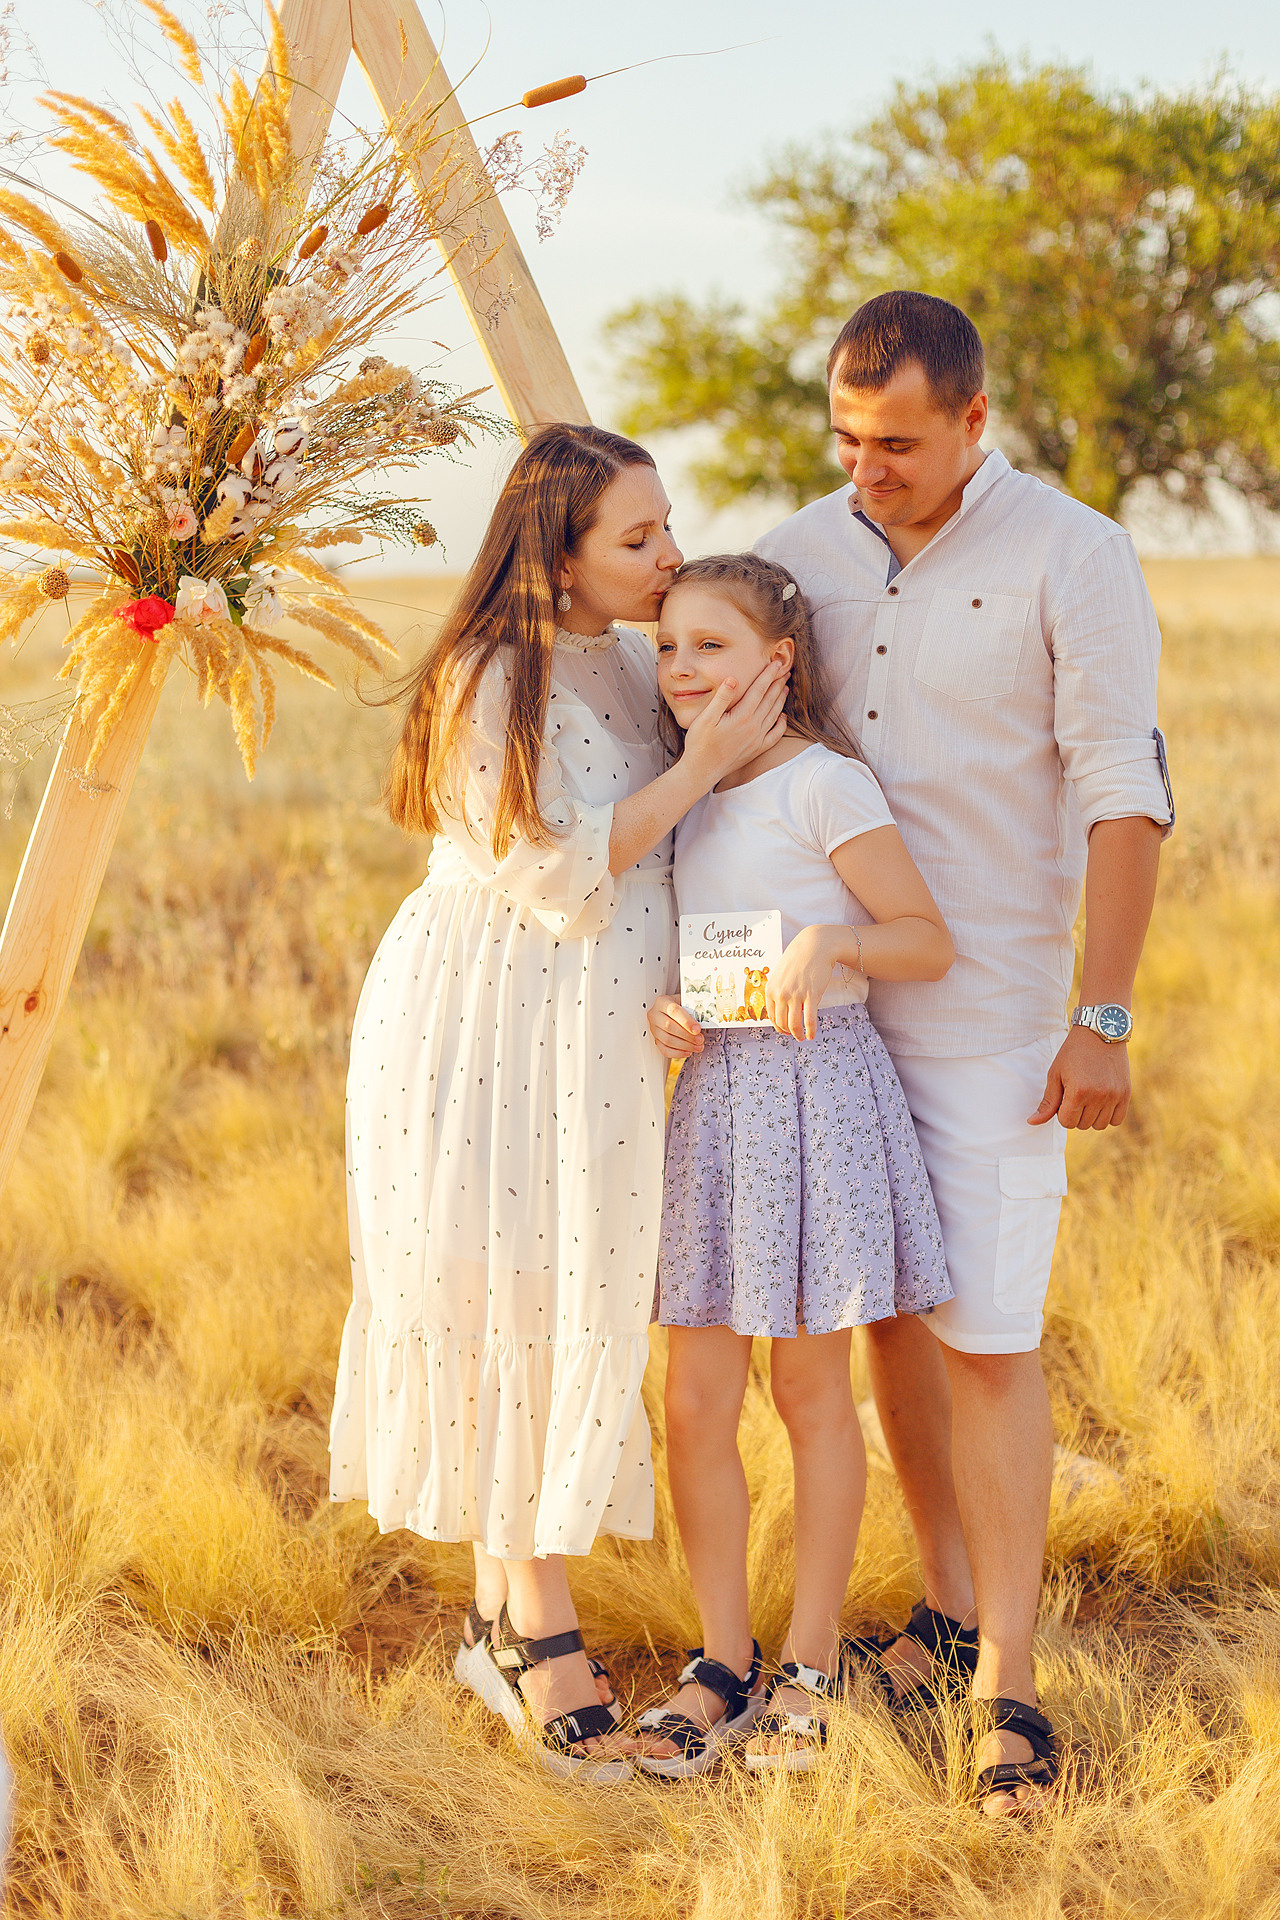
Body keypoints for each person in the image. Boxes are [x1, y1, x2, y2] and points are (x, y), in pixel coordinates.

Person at [755, 290, 1173, 1815]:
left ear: (977, 421)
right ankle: (938, 1617)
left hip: (1000, 1017)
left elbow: (1123, 789)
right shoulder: (799, 551)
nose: (871, 468)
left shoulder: (1078, 553)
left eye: (903, 445)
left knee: (989, 1340)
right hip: (835, 1019)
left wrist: (1105, 1013)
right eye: (851, 440)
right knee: (888, 1326)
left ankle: (1011, 1688)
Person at [328, 424, 788, 1780]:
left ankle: (499, 1605)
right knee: (511, 1293)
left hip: (599, 1039)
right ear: (561, 550)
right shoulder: (487, 675)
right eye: (638, 537)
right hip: (489, 1025)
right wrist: (699, 766)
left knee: (569, 1288)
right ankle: (536, 1623)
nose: (669, 552)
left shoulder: (639, 655)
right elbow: (551, 875)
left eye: (666, 526)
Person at [636, 553, 956, 1778]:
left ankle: (810, 1665)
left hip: (814, 1105)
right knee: (692, 1403)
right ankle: (721, 1663)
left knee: (809, 1397)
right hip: (715, 1101)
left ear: (775, 661)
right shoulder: (687, 789)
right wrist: (671, 1012)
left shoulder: (824, 784)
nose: (679, 670)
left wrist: (838, 944)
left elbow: (924, 940)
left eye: (708, 647)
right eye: (667, 647)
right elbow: (693, 946)